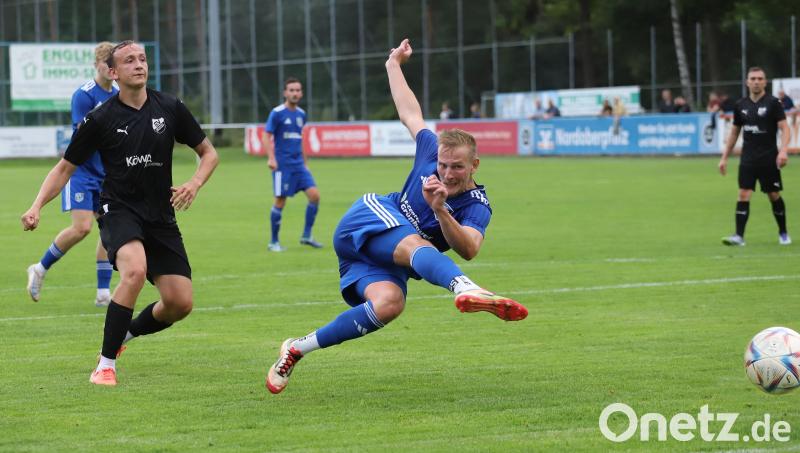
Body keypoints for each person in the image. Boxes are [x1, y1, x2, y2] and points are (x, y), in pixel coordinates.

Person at [265, 38, 528, 395]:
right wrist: (393, 64)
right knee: (413, 240)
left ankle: (296, 349)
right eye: (443, 165)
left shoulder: (477, 204)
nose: (448, 173)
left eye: (457, 168)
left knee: (390, 305)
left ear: (475, 166)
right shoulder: (429, 148)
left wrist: (439, 210)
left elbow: (469, 248)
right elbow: (410, 112)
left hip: (386, 259)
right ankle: (465, 287)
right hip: (369, 219)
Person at [20, 41, 219, 386]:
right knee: (134, 272)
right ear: (113, 72)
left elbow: (208, 152)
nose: (139, 65)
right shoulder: (100, 118)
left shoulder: (170, 107)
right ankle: (105, 366)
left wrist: (195, 183)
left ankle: (124, 334)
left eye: (142, 59)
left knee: (179, 303)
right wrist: (37, 205)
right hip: (118, 210)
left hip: (161, 214)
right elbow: (64, 168)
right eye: (129, 61)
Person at [25, 42, 119, 307]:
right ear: (96, 66)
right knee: (82, 228)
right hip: (82, 172)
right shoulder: (84, 95)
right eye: (105, 65)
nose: (109, 70)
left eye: (112, 66)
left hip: (108, 174)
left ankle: (102, 293)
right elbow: (83, 135)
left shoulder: (119, 92)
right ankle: (40, 268)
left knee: (109, 229)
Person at [719, 67, 791, 246]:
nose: (756, 81)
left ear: (765, 82)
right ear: (747, 82)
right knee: (743, 194)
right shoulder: (740, 105)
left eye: (760, 78)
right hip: (748, 159)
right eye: (753, 78)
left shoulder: (774, 103)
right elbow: (735, 132)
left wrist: (783, 151)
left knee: (773, 194)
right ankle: (739, 236)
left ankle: (783, 232)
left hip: (769, 158)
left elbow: (785, 128)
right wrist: (724, 157)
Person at [262, 77, 322, 252]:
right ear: (285, 93)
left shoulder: (301, 114)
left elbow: (300, 138)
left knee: (315, 196)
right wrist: (271, 158)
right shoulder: (277, 113)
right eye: (291, 90)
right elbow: (266, 136)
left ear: (301, 93)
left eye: (298, 90)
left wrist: (305, 162)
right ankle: (273, 242)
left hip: (299, 166)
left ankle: (306, 235)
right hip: (283, 166)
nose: (295, 93)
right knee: (280, 201)